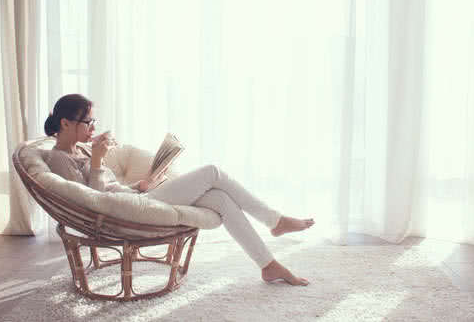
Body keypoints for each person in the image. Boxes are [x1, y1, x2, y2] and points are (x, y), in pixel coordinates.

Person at [43, 94, 315, 286]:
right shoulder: (59, 159)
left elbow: (109, 189)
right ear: (65, 124)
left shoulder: (80, 149)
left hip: (134, 199)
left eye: (94, 121)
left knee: (219, 197)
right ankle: (275, 221)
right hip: (125, 213)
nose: (93, 128)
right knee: (212, 172)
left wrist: (140, 185)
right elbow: (92, 202)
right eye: (87, 122)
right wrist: (98, 159)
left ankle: (267, 265)